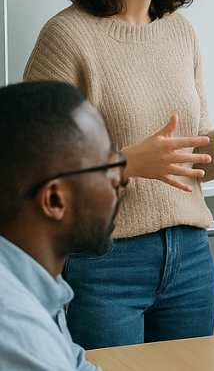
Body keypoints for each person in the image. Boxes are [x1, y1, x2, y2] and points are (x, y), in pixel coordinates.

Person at [22, 0, 214, 349]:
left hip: (191, 260)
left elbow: (184, 161)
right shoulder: (65, 38)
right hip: (104, 264)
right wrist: (124, 164)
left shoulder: (181, 32)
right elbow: (31, 172)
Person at [0, 81, 125, 371]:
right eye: (107, 166)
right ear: (55, 199)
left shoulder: (32, 283)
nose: (120, 178)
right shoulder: (15, 326)